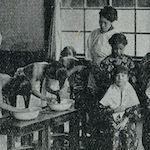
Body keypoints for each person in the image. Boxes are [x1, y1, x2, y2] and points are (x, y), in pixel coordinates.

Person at [94, 66, 140, 150]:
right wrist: (114, 111)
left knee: (128, 133)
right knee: (113, 132)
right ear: (114, 77)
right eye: (117, 76)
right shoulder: (111, 89)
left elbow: (135, 109)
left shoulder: (130, 89)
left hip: (127, 119)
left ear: (127, 77)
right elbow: (100, 109)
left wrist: (125, 121)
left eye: (123, 76)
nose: (120, 78)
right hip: (111, 119)